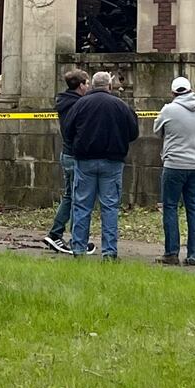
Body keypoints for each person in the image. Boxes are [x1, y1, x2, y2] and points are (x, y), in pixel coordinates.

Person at [62, 70, 139, 260]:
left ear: (93, 85)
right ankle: (109, 252)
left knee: (81, 206)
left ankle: (78, 249)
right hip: (112, 162)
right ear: (109, 86)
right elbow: (133, 132)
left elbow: (68, 131)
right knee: (110, 207)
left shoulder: (80, 104)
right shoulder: (121, 105)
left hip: (85, 161)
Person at [152, 75, 195, 265]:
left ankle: (171, 252)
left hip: (174, 164)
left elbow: (156, 129)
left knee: (170, 207)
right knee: (193, 208)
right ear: (190, 90)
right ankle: (193, 254)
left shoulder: (169, 110)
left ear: (173, 92)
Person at [43, 68, 90, 254]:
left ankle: (58, 233)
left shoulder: (65, 101)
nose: (89, 86)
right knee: (76, 197)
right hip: (75, 155)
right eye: (87, 83)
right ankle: (64, 235)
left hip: (68, 153)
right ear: (80, 86)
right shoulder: (77, 105)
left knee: (71, 195)